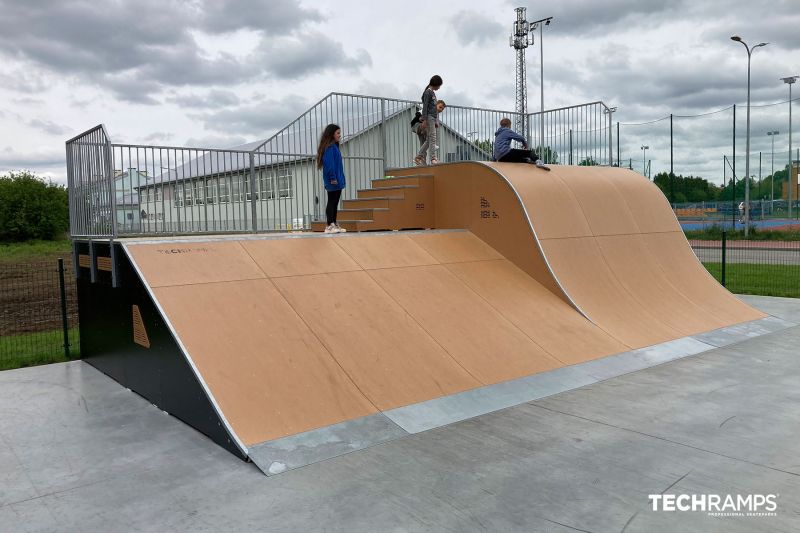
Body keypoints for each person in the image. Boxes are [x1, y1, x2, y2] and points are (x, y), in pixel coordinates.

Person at [316, 124, 347, 233]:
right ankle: (329, 225)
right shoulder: (330, 147)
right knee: (332, 201)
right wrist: (333, 178)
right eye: (338, 133)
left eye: (340, 133)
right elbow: (329, 165)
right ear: (332, 134)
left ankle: (334, 223)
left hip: (338, 180)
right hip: (333, 180)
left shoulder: (335, 146)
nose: (340, 135)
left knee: (335, 201)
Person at [414, 75, 443, 166]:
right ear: (436, 84)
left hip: (432, 119)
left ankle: (418, 157)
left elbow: (433, 108)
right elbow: (425, 107)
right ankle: (433, 158)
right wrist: (425, 120)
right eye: (439, 85)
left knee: (429, 139)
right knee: (432, 138)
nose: (439, 87)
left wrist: (436, 122)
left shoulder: (433, 93)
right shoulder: (428, 92)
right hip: (429, 118)